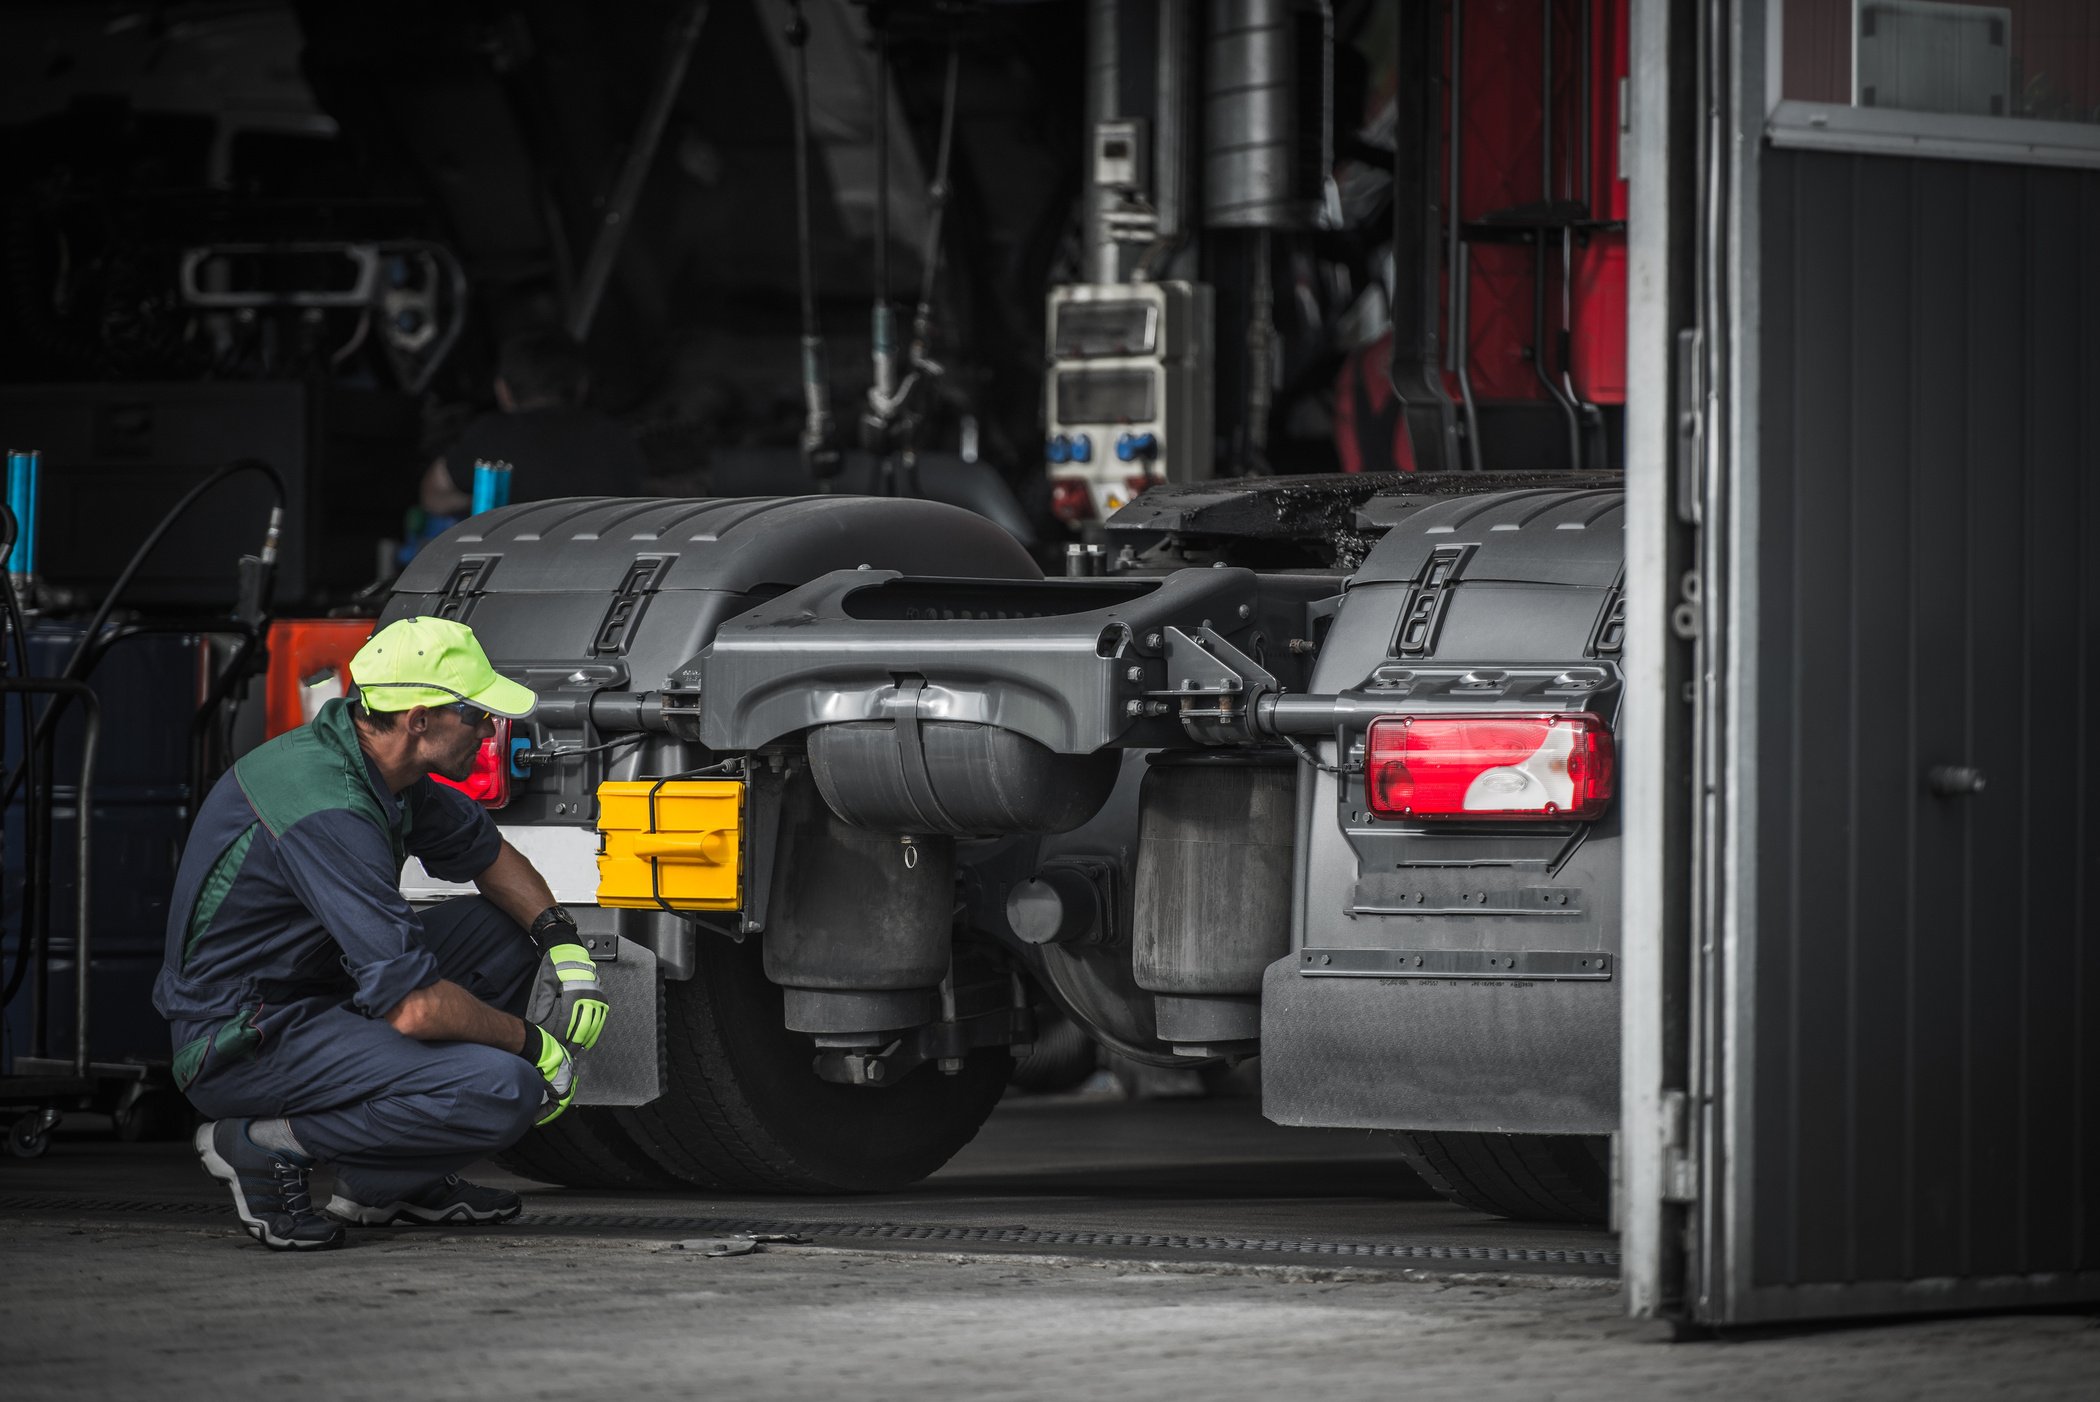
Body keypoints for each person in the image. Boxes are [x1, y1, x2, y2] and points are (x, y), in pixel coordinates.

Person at [155, 616, 611, 1251]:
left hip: (318, 990)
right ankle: (261, 1144)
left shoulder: (383, 768)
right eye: (475, 714)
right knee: (502, 1089)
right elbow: (414, 1007)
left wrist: (565, 946)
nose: (488, 731)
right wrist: (533, 1043)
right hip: (244, 1035)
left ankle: (388, 1182)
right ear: (420, 719)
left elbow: (488, 856)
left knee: (503, 933)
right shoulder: (328, 807)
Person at [419, 327, 651, 514]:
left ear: (502, 390)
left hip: (515, 565)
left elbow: (434, 496)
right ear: (582, 386)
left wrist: (490, 494)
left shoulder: (491, 434)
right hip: (602, 566)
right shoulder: (616, 436)